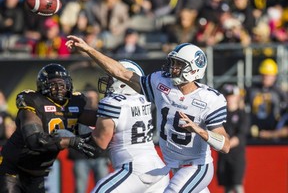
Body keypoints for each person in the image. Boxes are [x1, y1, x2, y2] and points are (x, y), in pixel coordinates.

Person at [66, 36, 231, 193]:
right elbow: (121, 72)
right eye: (173, 63)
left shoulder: (209, 99)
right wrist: (88, 49)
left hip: (196, 166)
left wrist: (199, 130)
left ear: (194, 69)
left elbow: (225, 145)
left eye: (179, 64)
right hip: (173, 165)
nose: (173, 68)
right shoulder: (161, 83)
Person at [0, 63, 98, 193]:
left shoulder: (76, 102)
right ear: (43, 86)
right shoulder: (34, 102)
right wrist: (72, 141)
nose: (59, 88)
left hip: (37, 175)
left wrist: (116, 110)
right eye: (53, 84)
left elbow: (100, 120)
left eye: (62, 84)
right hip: (11, 169)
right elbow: (34, 140)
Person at [90, 59, 169, 192]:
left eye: (111, 79)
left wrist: (70, 140)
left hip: (134, 169)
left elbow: (100, 141)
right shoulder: (144, 100)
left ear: (122, 83)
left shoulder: (112, 102)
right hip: (158, 167)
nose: (108, 83)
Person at [68, 84, 110, 193]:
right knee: (80, 189)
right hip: (80, 156)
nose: (91, 100)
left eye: (93, 98)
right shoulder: (76, 112)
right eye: (88, 98)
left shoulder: (104, 112)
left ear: (97, 98)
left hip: (100, 156)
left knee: (103, 188)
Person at [217, 84, 249, 193]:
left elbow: (241, 135)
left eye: (231, 96)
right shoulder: (220, 115)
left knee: (237, 184)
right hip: (223, 155)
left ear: (237, 97)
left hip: (236, 155)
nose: (229, 98)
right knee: (227, 187)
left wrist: (225, 143)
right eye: (227, 96)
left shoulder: (242, 114)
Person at [245, 58, 287, 138]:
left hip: (273, 130)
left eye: (269, 75)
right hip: (254, 129)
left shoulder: (279, 92)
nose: (266, 77)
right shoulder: (252, 89)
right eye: (264, 74)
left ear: (274, 76)